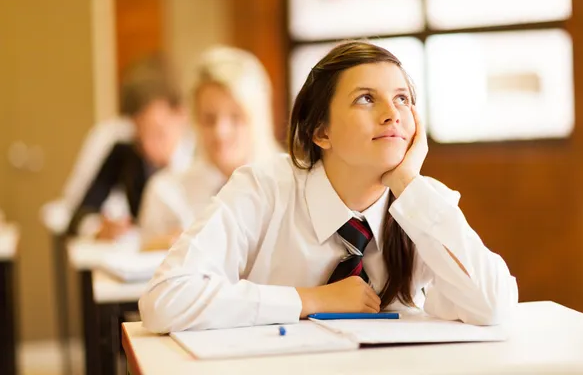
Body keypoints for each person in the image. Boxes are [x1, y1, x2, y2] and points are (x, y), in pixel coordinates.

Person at [139, 41, 518, 333]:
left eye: (402, 98)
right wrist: (308, 300)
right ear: (321, 131)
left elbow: (495, 306)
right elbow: (164, 300)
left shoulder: (421, 205)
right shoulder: (262, 188)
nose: (392, 113)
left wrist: (407, 183)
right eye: (366, 99)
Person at [138, 46, 280, 250]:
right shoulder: (165, 192)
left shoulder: (292, 187)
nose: (221, 132)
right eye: (209, 119)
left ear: (258, 118)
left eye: (236, 117)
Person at [66, 57, 195, 239]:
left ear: (182, 115)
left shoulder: (203, 159)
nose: (149, 148)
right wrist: (99, 228)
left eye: (158, 134)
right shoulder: (126, 154)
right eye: (141, 137)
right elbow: (79, 216)